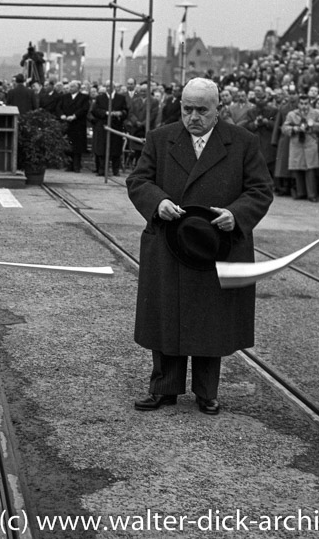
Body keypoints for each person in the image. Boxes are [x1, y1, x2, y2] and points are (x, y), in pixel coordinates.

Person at [126, 77, 273, 415]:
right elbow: (138, 180)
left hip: (217, 246)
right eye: (187, 109)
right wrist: (157, 201)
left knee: (212, 320)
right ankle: (163, 388)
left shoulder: (243, 142)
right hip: (170, 243)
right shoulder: (160, 139)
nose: (193, 117)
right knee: (166, 316)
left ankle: (207, 392)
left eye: (201, 110)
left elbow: (261, 189)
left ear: (217, 109)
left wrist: (236, 215)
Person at [282, 95, 319, 201]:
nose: (304, 106)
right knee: (297, 169)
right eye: (301, 103)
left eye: (306, 103)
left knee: (310, 169)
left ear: (309, 103)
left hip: (310, 142)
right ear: (298, 104)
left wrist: (312, 124)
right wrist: (294, 128)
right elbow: (284, 128)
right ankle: (300, 192)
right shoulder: (292, 114)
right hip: (297, 143)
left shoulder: (316, 113)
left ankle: (312, 194)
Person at [91, 81, 128, 176]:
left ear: (114, 87)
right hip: (103, 126)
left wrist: (120, 113)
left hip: (116, 126)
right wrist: (106, 113)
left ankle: (116, 170)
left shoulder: (121, 98)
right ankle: (102, 170)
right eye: (106, 86)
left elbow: (126, 111)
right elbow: (94, 110)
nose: (108, 88)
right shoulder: (100, 98)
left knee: (115, 149)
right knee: (102, 149)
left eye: (110, 86)